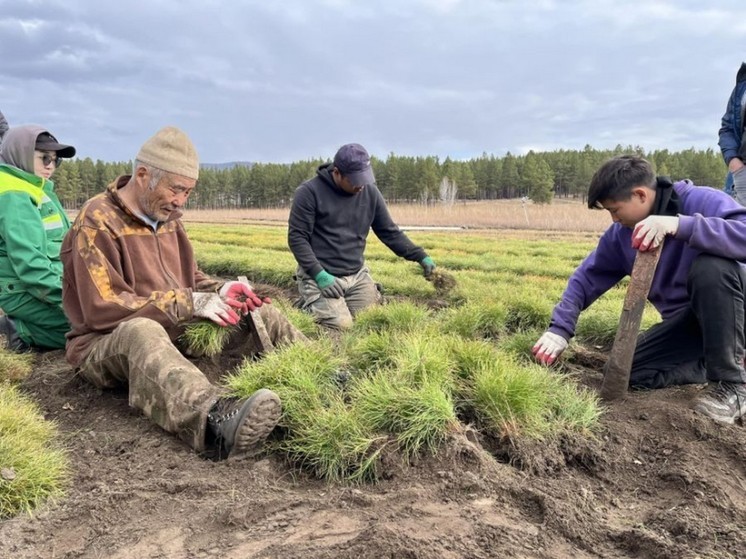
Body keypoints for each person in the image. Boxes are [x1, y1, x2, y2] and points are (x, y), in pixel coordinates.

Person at [62, 126, 306, 459]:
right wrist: (190, 303)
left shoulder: (169, 218)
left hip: (173, 329)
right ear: (144, 174)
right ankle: (217, 421)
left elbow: (190, 279)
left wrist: (221, 290)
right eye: (176, 189)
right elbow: (103, 308)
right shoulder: (97, 221)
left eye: (188, 192)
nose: (181, 201)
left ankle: (321, 373)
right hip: (105, 344)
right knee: (141, 330)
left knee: (253, 308)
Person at [532, 155, 746, 425]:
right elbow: (586, 277)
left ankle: (733, 386)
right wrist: (559, 329)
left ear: (641, 195)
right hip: (690, 325)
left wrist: (682, 226)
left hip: (735, 309)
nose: (613, 218)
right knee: (623, 372)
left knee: (711, 267)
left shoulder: (702, 201)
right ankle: (717, 362)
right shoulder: (621, 234)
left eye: (615, 209)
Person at [288, 143, 436, 329]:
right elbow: (297, 238)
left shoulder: (370, 192)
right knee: (342, 326)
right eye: (354, 180)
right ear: (337, 173)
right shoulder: (309, 193)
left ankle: (359, 295)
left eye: (364, 179)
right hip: (321, 274)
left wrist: (420, 256)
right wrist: (319, 275)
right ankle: (307, 304)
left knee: (369, 322)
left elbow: (389, 232)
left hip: (356, 275)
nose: (360, 186)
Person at [0, 125, 75, 351]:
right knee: (92, 329)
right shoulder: (14, 195)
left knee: (102, 319)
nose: (50, 166)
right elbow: (32, 267)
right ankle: (21, 330)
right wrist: (74, 301)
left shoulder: (36, 189)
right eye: (44, 158)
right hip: (24, 290)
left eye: (55, 160)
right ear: (21, 154)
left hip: (48, 283)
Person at [718, 62, 746, 204]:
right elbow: (727, 128)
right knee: (737, 225)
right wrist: (734, 162)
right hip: (741, 178)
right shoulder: (743, 86)